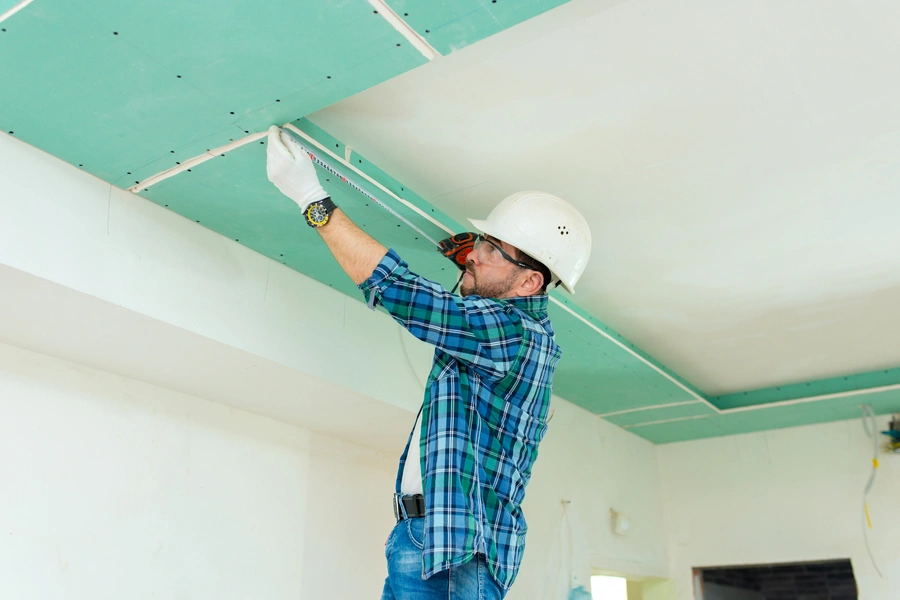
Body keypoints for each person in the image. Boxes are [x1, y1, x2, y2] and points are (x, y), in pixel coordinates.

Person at [265, 125, 591, 599]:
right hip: (428, 540)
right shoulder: (507, 333)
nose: (474, 255)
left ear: (529, 284)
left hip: (454, 549)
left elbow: (402, 292)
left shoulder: (514, 332)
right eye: (479, 242)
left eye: (489, 249)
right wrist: (480, 270)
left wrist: (309, 196)